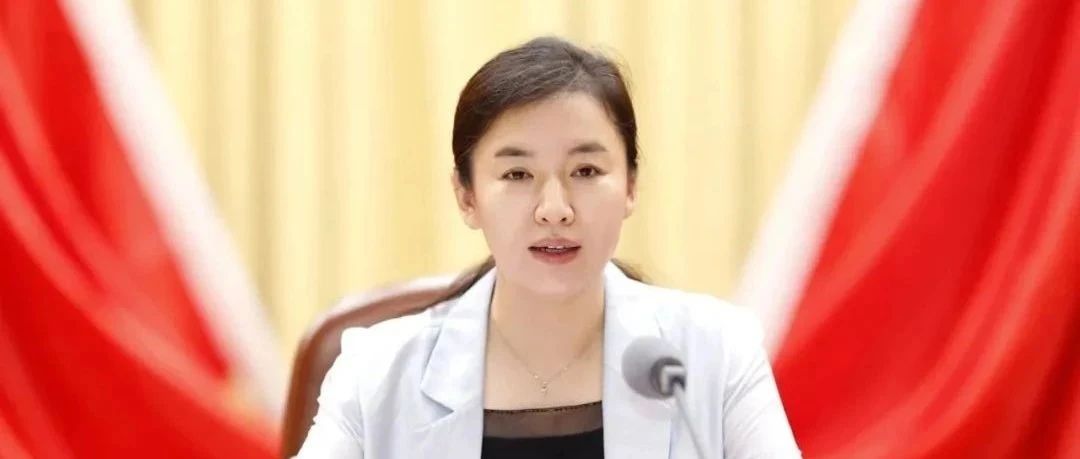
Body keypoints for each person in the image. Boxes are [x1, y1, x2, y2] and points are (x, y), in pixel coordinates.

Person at [297, 36, 800, 458]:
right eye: (518, 174)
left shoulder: (715, 355)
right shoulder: (376, 375)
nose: (555, 209)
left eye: (586, 171)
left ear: (630, 186)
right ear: (467, 196)